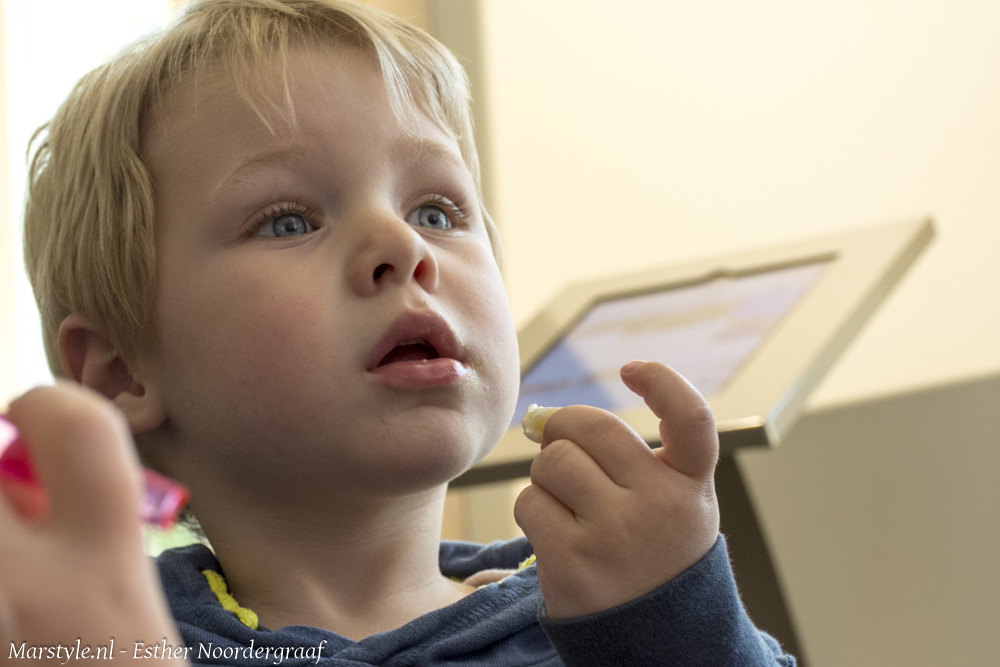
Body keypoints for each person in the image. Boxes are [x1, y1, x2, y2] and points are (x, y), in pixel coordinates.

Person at [1, 0, 796, 664]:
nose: (404, 247)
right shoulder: (95, 633)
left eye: (436, 211)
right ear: (120, 372)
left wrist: (675, 618)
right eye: (287, 220)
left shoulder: (614, 611)